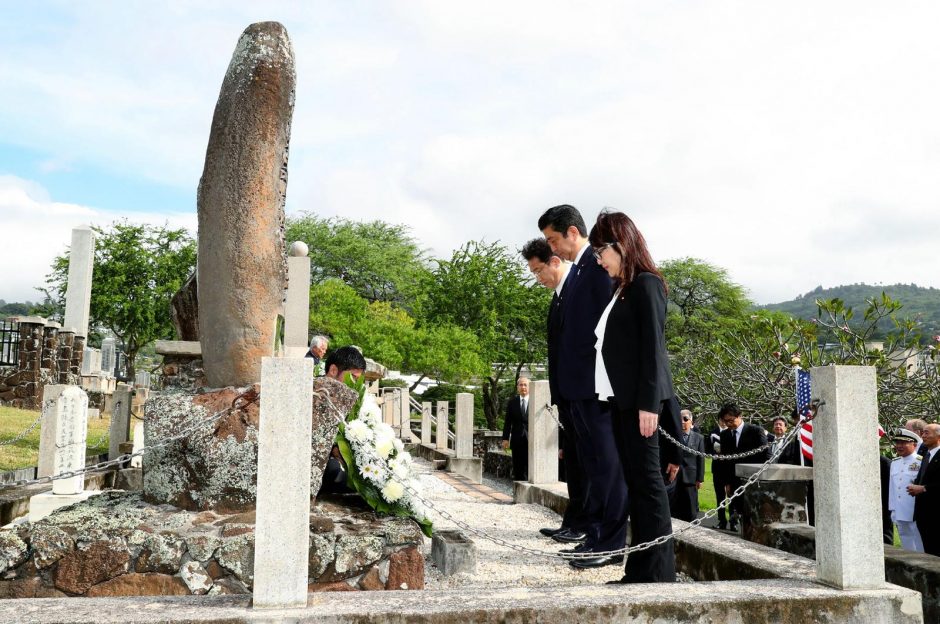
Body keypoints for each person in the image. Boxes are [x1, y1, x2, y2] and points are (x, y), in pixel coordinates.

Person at [589, 210, 680, 583]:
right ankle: (639, 570)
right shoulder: (622, 289)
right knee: (636, 488)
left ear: (620, 244)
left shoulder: (647, 284)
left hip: (640, 406)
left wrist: (648, 404)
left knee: (649, 488)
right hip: (620, 404)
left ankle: (659, 574)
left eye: (601, 251)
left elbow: (653, 352)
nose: (599, 260)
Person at [539, 205, 629, 567]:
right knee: (593, 467)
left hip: (596, 388)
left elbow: (601, 333)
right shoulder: (578, 272)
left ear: (573, 232)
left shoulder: (597, 266)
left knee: (607, 469)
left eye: (554, 239)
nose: (553, 248)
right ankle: (594, 537)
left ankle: (609, 543)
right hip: (578, 389)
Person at [521, 238, 588, 540]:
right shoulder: (559, 297)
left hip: (583, 393)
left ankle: (586, 525)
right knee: (574, 463)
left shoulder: (577, 289)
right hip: (566, 394)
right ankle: (573, 522)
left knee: (586, 464)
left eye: (538, 271)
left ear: (554, 262)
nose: (538, 279)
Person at [317, 346, 368, 496]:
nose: (355, 385)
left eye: (359, 380)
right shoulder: (315, 393)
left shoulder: (351, 398)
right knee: (334, 469)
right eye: (352, 377)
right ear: (333, 370)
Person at [717, 403, 769, 532]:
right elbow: (726, 461)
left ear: (740, 416)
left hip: (753, 479)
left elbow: (767, 455)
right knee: (739, 510)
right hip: (735, 481)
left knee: (754, 511)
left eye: (731, 420)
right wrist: (727, 483)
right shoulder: (725, 435)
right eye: (725, 421)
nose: (729, 424)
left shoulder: (756, 431)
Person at [888, 428, 925, 552]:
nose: (899, 446)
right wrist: (893, 509)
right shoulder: (895, 462)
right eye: (897, 443)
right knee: (906, 543)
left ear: (914, 444)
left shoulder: (921, 461)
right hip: (900, 510)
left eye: (904, 443)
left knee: (919, 543)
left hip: (915, 510)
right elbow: (892, 489)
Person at [909, 423, 940, 556]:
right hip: (923, 513)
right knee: (929, 550)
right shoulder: (926, 455)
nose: (923, 436)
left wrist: (924, 488)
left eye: (927, 433)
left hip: (936, 513)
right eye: (923, 432)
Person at [670, 409, 705, 522]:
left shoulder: (699, 438)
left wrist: (700, 479)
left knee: (690, 506)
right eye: (680, 419)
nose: (683, 422)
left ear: (691, 421)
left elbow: (701, 459)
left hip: (690, 477)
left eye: (686, 419)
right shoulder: (672, 436)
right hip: (674, 476)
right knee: (674, 504)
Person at [502, 377, 530, 481]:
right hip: (517, 439)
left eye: (525, 385)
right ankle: (519, 492)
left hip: (532, 440)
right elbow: (508, 422)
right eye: (521, 385)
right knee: (518, 467)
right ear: (517, 387)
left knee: (530, 466)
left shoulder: (536, 401)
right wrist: (505, 439)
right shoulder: (512, 402)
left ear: (529, 386)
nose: (523, 387)